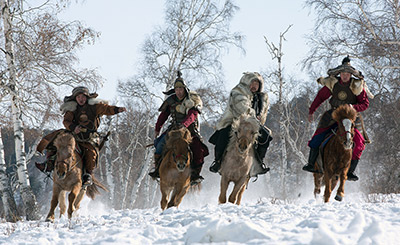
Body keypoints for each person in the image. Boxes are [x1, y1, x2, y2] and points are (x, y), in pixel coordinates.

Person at [36, 86, 126, 186]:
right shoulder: (72, 108)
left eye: (83, 97)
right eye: (78, 97)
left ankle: (88, 175)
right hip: (74, 135)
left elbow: (106, 109)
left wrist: (117, 109)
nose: (80, 99)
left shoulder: (94, 106)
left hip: (90, 137)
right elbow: (66, 121)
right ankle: (49, 163)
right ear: (75, 98)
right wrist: (74, 127)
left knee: (91, 154)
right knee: (56, 141)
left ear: (87, 97)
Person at [302, 56, 373, 181]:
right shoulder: (333, 83)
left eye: (348, 73)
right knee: (316, 138)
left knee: (359, 142)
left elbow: (365, 104)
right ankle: (311, 164)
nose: (345, 76)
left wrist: (353, 107)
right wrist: (311, 111)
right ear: (339, 73)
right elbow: (320, 97)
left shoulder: (357, 85)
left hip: (351, 117)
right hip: (333, 115)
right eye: (343, 73)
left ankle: (350, 171)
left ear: (351, 74)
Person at [148, 71, 209, 186]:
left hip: (189, 131)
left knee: (198, 150)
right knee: (160, 145)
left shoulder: (192, 101)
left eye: (181, 89)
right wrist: (157, 128)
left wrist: (184, 125)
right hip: (174, 130)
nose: (179, 92)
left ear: (185, 90)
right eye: (177, 89)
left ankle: (195, 174)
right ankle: (157, 170)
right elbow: (163, 116)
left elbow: (192, 116)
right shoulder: (171, 101)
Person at [208, 72, 272, 177]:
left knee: (266, 136)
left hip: (253, 125)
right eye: (252, 82)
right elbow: (241, 107)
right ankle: (218, 161)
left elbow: (263, 114)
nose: (254, 85)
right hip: (235, 121)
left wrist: (258, 120)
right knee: (224, 134)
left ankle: (259, 163)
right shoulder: (238, 92)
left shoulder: (262, 98)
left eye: (257, 83)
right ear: (247, 82)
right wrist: (254, 115)